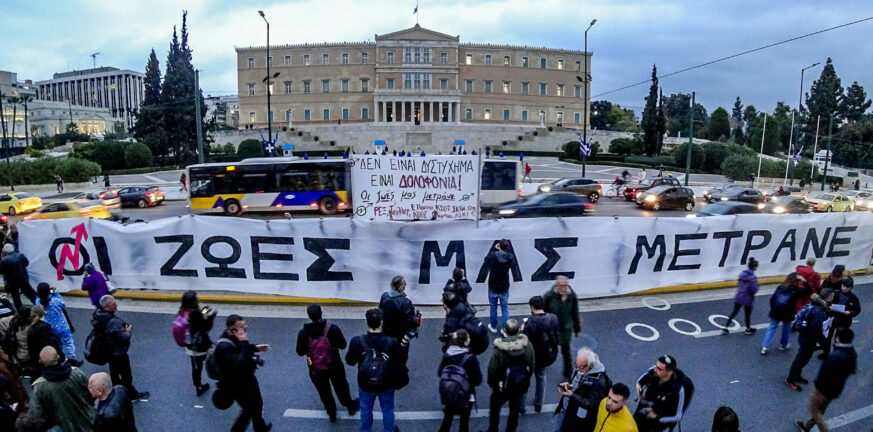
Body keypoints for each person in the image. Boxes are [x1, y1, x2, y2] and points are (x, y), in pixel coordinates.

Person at [295, 304, 359, 423]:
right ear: (321, 313)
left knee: (324, 391)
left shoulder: (303, 333)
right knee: (341, 386)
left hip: (315, 367)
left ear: (309, 316)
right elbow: (343, 344)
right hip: (334, 364)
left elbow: (300, 352)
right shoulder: (333, 328)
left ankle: (332, 413)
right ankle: (349, 405)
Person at [346, 308, 407, 432]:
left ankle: (365, 430)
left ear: (367, 323)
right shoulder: (392, 341)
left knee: (366, 409)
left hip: (365, 383)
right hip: (386, 382)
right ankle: (389, 429)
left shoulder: (357, 341)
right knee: (388, 409)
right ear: (382, 322)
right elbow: (400, 359)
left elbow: (350, 361)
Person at [214, 314, 272, 432]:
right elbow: (240, 363)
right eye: (242, 328)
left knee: (255, 405)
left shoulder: (233, 338)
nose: (245, 329)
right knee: (249, 409)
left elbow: (240, 349)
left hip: (246, 379)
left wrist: (255, 347)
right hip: (238, 384)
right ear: (232, 330)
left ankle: (260, 426)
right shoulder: (224, 347)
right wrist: (244, 342)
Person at [795, 328, 856, 432]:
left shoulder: (836, 355)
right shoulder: (852, 353)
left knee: (814, 409)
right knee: (821, 410)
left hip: (823, 389)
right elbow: (852, 370)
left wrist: (818, 385)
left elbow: (824, 372)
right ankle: (807, 426)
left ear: (838, 339)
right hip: (836, 389)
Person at [91, 295, 149, 401]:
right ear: (108, 306)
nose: (116, 305)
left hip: (108, 351)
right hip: (118, 352)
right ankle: (131, 394)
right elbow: (123, 338)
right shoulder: (113, 322)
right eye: (113, 304)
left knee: (114, 372)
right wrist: (128, 331)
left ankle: (116, 391)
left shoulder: (99, 316)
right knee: (126, 375)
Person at [31, 346, 94, 432]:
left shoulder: (39, 387)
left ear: (41, 362)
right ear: (58, 357)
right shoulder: (77, 373)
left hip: (63, 427)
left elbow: (40, 414)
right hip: (88, 421)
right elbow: (90, 395)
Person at [486, 318, 534, 432]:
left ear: (505, 331)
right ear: (518, 331)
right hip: (519, 384)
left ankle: (493, 428)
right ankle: (511, 429)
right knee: (514, 408)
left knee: (495, 407)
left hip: (503, 386)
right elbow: (532, 365)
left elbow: (492, 370)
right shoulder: (528, 346)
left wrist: (493, 385)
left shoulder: (499, 349)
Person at [786, 289, 834, 392]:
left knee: (803, 358)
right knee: (801, 359)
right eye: (832, 296)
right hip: (809, 339)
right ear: (828, 297)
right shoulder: (819, 311)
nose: (833, 298)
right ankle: (790, 379)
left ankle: (797, 375)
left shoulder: (815, 305)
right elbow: (816, 329)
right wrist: (823, 341)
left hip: (805, 336)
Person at [555, 348, 611, 432]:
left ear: (589, 365)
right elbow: (577, 383)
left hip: (578, 420)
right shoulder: (582, 368)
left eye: (580, 366)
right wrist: (569, 386)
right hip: (569, 409)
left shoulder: (599, 382)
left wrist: (571, 395)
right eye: (576, 364)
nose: (577, 368)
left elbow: (592, 405)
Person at [437, 329, 482, 432]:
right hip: (466, 394)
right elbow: (477, 380)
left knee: (447, 418)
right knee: (464, 422)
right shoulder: (470, 358)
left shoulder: (447, 354)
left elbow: (440, 372)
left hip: (450, 391)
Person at [520, 295, 558, 413]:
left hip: (532, 357)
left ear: (532, 307)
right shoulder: (553, 318)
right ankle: (538, 403)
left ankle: (521, 406)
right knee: (541, 378)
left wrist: (522, 329)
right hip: (546, 355)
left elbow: (524, 342)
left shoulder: (530, 322)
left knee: (525, 379)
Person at [634, 355, 688, 432]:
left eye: (659, 369)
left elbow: (678, 416)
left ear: (669, 372)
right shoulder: (653, 372)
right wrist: (639, 393)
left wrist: (656, 417)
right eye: (656, 366)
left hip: (658, 422)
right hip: (643, 412)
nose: (655, 369)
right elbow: (639, 382)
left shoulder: (678, 390)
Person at [543, 276, 581, 380]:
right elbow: (542, 312)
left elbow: (575, 312)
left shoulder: (572, 296)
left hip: (565, 329)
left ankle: (568, 373)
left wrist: (577, 329)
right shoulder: (549, 296)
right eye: (561, 285)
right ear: (557, 285)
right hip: (552, 328)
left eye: (565, 285)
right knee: (552, 351)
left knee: (566, 351)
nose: (564, 287)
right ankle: (545, 361)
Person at [35, 283, 81, 367]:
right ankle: (72, 358)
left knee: (58, 344)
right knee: (68, 342)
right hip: (62, 327)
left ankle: (60, 358)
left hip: (50, 328)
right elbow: (63, 303)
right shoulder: (55, 301)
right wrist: (56, 293)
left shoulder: (38, 302)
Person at [178, 291, 215, 396]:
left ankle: (198, 386)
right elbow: (206, 327)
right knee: (214, 361)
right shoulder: (196, 314)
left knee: (196, 367)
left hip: (190, 346)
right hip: (202, 346)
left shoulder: (183, 312)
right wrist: (210, 315)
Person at [761, 273, 803, 355]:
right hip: (787, 312)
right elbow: (807, 290)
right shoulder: (795, 290)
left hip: (776, 311)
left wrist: (773, 308)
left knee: (771, 328)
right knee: (786, 329)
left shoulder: (780, 287)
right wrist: (804, 280)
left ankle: (765, 346)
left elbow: (772, 299)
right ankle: (783, 344)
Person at [378, 275, 419, 355]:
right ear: (401, 286)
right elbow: (411, 323)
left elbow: (380, 313)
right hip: (400, 337)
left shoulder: (384, 296)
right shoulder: (406, 303)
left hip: (385, 335)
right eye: (404, 284)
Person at [821, 276, 860, 357]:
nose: (845, 288)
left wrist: (850, 312)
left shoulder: (853, 297)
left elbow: (857, 309)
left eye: (847, 287)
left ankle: (836, 354)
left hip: (844, 320)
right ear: (841, 285)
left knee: (838, 339)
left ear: (851, 287)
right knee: (827, 336)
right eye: (843, 286)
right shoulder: (835, 293)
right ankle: (826, 352)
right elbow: (827, 302)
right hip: (832, 318)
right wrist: (829, 307)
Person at [483, 239, 514, 333]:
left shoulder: (492, 256)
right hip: (504, 286)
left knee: (493, 307)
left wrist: (495, 250)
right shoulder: (510, 257)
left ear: (499, 246)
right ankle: (506, 330)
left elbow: (486, 260)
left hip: (493, 286)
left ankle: (493, 326)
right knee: (505, 308)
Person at [722, 258, 759, 335]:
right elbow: (753, 290)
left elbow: (739, 284)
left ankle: (726, 327)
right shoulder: (753, 278)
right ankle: (748, 329)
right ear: (755, 267)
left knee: (734, 312)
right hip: (748, 298)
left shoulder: (742, 274)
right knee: (747, 315)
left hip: (739, 296)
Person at [26, 305, 62, 378]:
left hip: (35, 357)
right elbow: (50, 343)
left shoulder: (31, 326)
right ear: (43, 313)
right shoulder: (45, 327)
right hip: (45, 357)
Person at [0, 243, 37, 310]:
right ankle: (38, 305)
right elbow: (27, 263)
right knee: (30, 294)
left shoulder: (4, 260)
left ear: (4, 251)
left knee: (16, 297)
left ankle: (20, 310)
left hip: (12, 281)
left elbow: (1, 270)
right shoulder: (21, 255)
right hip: (23, 278)